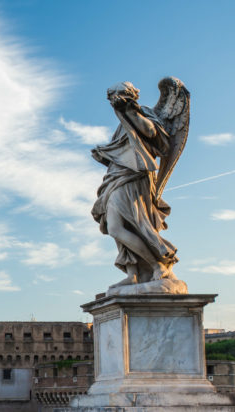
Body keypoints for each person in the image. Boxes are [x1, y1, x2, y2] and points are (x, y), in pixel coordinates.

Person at [91, 80, 186, 288]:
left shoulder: (141, 112)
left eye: (117, 95)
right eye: (111, 97)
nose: (113, 100)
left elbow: (153, 134)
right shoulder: (120, 124)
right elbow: (123, 151)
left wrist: (131, 112)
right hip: (116, 177)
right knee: (115, 226)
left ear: (129, 95)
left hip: (135, 177)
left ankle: (158, 264)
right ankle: (133, 272)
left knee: (134, 223)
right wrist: (105, 154)